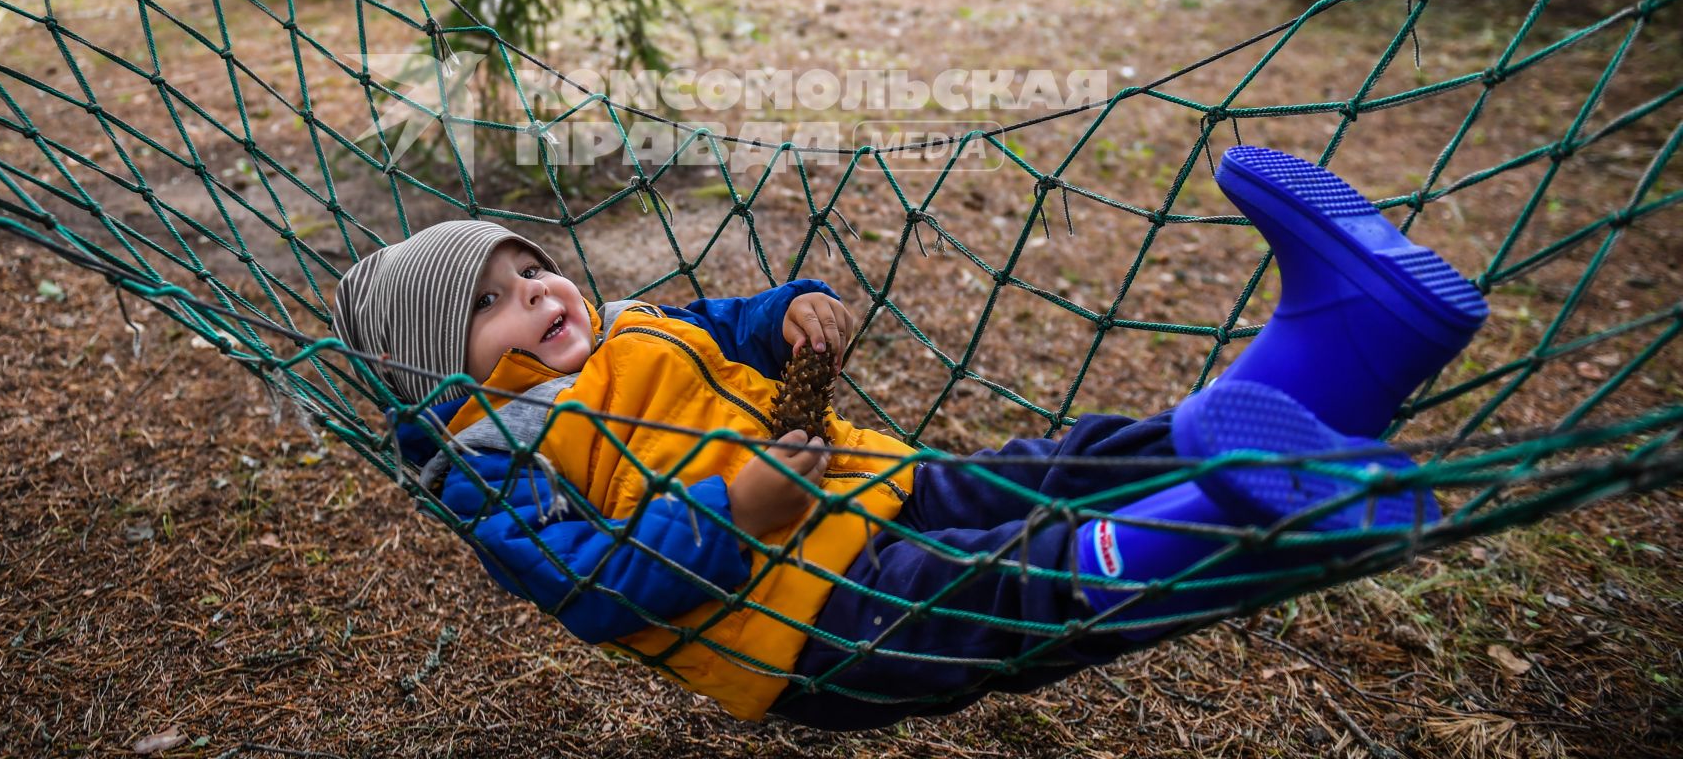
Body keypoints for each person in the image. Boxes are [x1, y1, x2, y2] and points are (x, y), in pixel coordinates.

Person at [332, 146, 1488, 727]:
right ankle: (1239, 520)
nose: (541, 292)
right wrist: (736, 512)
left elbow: (723, 321)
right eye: (493, 300)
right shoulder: (486, 461)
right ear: (440, 365)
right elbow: (588, 585)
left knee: (1056, 461)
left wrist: (789, 302)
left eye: (532, 265)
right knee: (1005, 583)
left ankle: (1335, 357)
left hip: (881, 487)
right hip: (810, 622)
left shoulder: (629, 324)